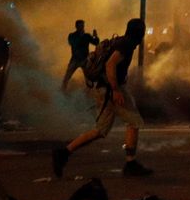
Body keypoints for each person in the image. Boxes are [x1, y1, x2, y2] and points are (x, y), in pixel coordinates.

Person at [53, 18, 152, 178]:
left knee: (100, 130)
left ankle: (63, 153)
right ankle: (130, 163)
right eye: (142, 30)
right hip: (109, 89)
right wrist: (115, 89)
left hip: (103, 89)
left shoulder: (120, 40)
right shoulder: (126, 44)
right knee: (134, 121)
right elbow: (110, 64)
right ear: (138, 32)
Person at [60, 19, 98, 91]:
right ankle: (62, 91)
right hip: (75, 60)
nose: (82, 27)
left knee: (89, 79)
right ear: (76, 27)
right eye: (80, 26)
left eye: (83, 26)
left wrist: (95, 36)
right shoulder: (72, 35)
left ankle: (88, 93)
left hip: (85, 60)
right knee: (66, 78)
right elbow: (72, 43)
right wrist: (81, 36)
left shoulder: (86, 36)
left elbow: (96, 43)